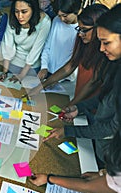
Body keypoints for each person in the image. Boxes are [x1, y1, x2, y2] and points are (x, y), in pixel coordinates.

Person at [43, 4, 121, 166]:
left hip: (112, 156)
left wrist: (67, 131)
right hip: (100, 142)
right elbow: (106, 97)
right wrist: (79, 107)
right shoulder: (115, 65)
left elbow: (111, 128)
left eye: (106, 43)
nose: (101, 49)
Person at [26, 4, 109, 106]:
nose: (80, 34)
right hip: (80, 94)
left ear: (99, 29)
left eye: (84, 30)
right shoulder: (83, 41)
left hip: (94, 103)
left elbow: (93, 82)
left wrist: (72, 104)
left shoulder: (107, 52)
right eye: (79, 28)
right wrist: (41, 86)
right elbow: (70, 65)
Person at [0, 0, 51, 83]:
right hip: (13, 64)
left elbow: (36, 50)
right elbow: (8, 46)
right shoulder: (12, 18)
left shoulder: (45, 22)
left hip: (31, 67)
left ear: (33, 10)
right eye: (16, 11)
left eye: (24, 12)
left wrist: (22, 75)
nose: (19, 16)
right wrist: (5, 71)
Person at [37, 0, 81, 81]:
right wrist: (44, 66)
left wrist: (57, 78)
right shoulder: (56, 20)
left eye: (65, 16)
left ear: (77, 11)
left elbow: (74, 61)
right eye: (59, 15)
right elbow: (47, 46)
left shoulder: (81, 30)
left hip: (66, 77)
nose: (62, 19)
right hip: (49, 71)